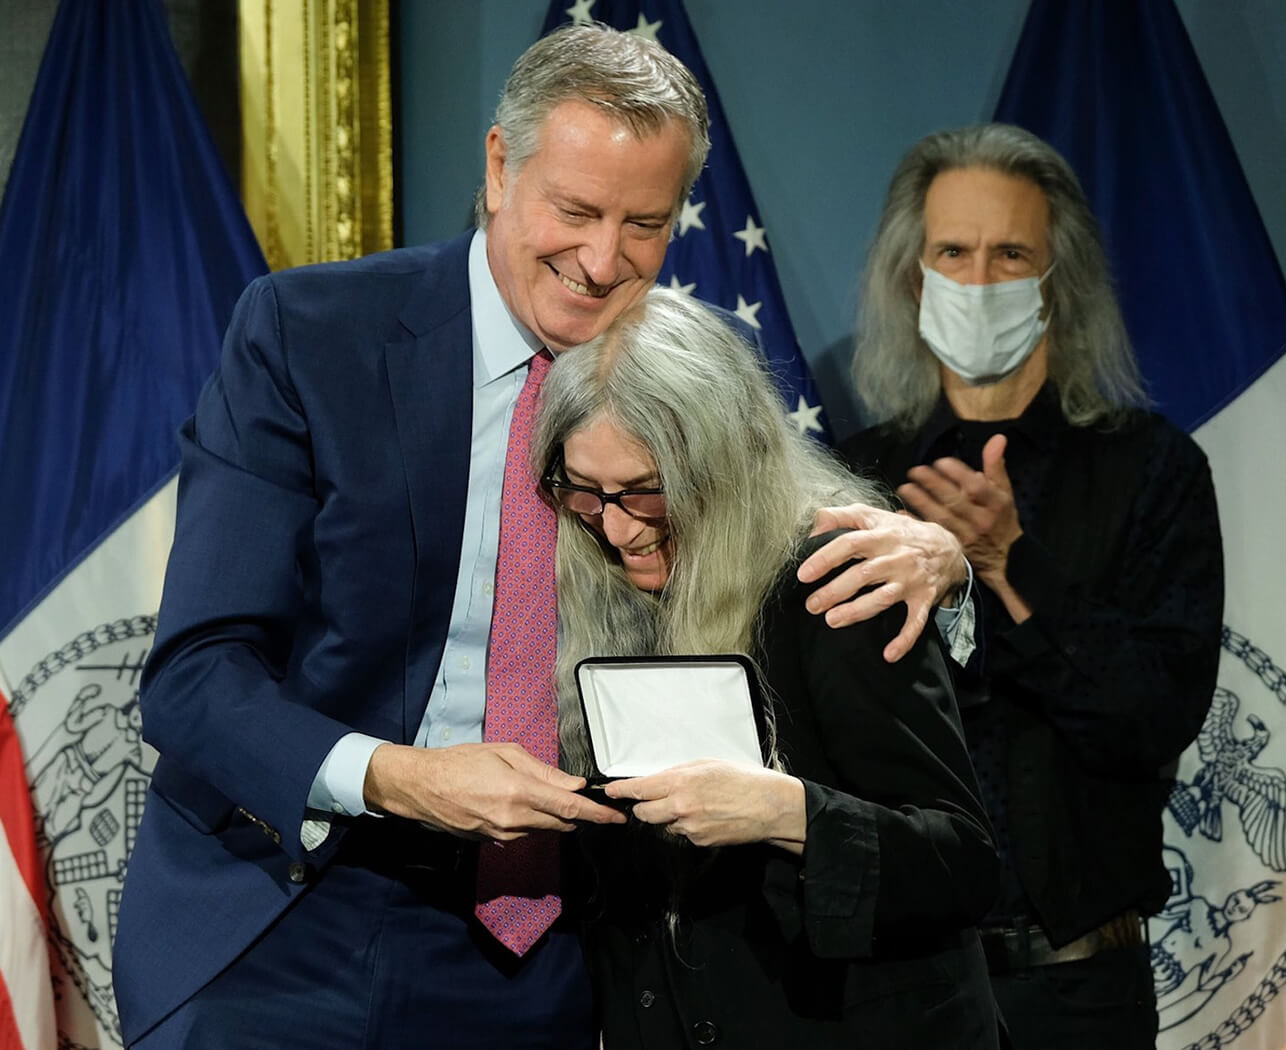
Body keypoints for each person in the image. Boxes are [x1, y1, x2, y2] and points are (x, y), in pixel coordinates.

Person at [112, 24, 970, 1050]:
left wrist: (944, 558)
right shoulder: (309, 337)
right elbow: (196, 676)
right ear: (496, 166)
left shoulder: (676, 377)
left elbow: (788, 544)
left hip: (544, 949)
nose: (602, 261)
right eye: (573, 210)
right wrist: (398, 775)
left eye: (643, 224)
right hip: (291, 913)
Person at [534, 286, 1003, 1048]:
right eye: (584, 492)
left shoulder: (836, 583)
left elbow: (963, 868)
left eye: (646, 491)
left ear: (724, 463)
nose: (615, 529)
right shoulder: (589, 597)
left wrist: (787, 815)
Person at [840, 123, 1226, 1049]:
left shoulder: (1153, 472)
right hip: (896, 988)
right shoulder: (850, 484)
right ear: (911, 276)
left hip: (1078, 990)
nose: (979, 281)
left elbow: (1152, 719)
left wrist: (1012, 565)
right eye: (953, 253)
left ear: (1059, 281)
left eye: (1012, 254)